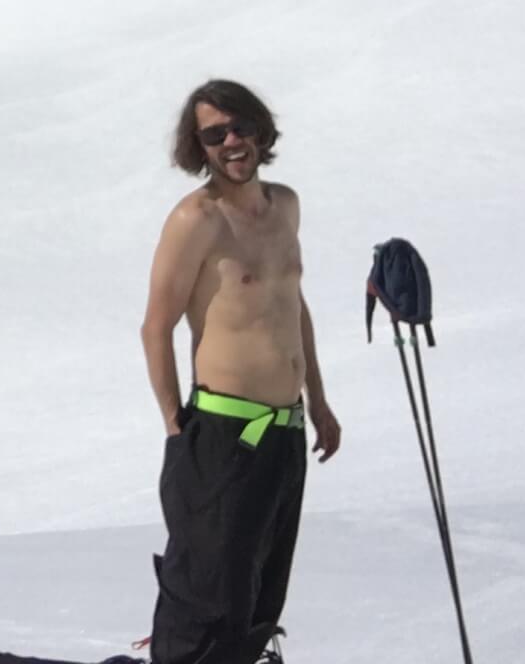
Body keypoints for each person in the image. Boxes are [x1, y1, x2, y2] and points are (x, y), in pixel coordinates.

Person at [137, 80, 339, 664]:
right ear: (197, 146)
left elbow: (292, 306)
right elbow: (156, 327)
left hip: (285, 431)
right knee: (208, 603)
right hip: (224, 435)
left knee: (261, 596)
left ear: (259, 131)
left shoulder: (286, 206)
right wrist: (176, 427)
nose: (231, 142)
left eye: (240, 128)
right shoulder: (196, 219)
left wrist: (318, 401)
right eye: (214, 135)